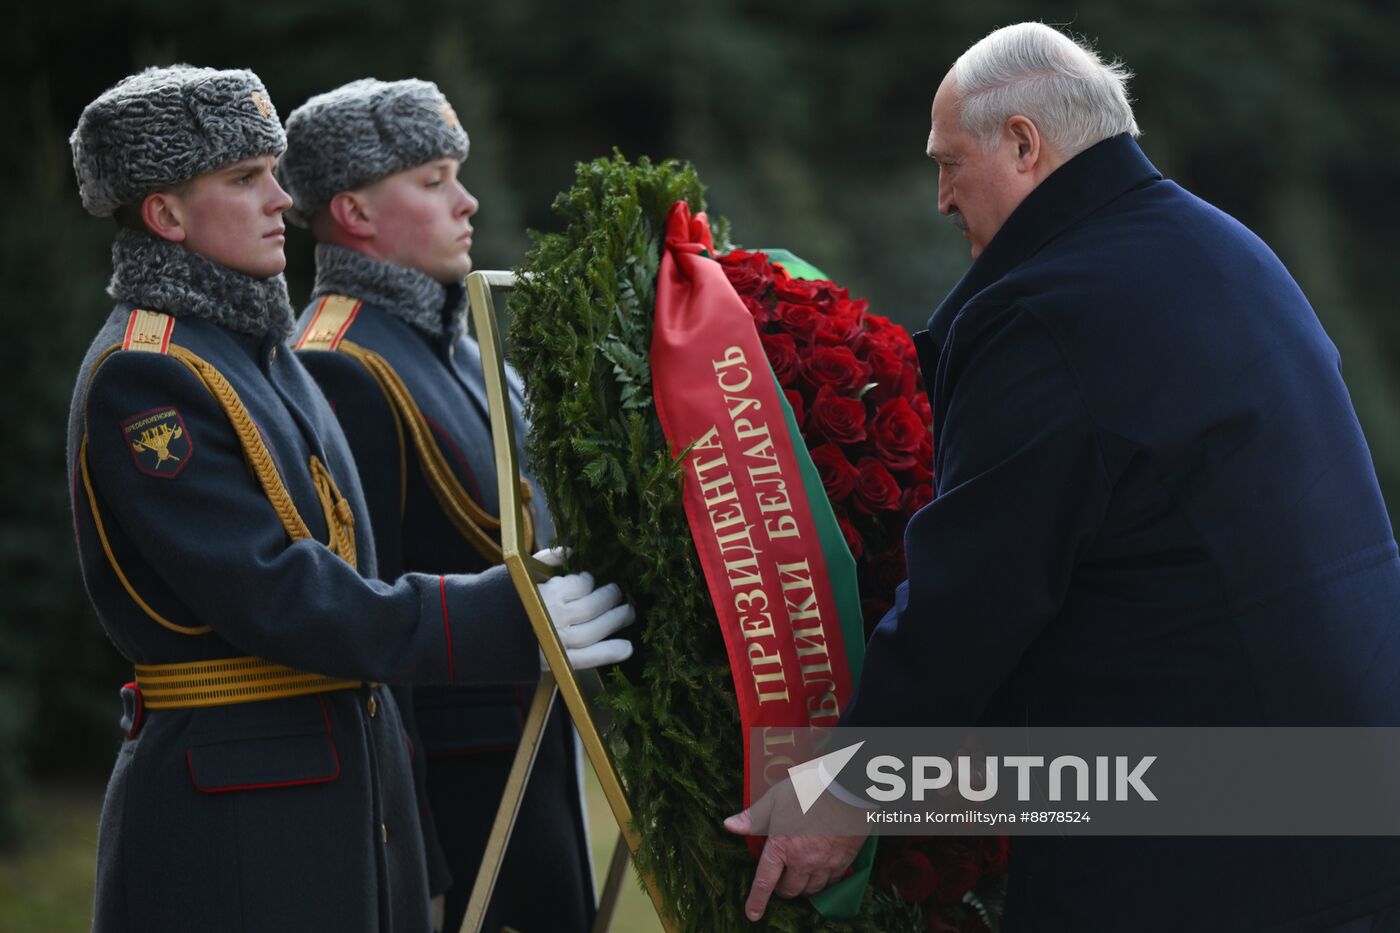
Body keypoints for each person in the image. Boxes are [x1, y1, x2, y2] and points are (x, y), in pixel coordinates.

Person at [727, 22, 1400, 931]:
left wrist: (845, 789)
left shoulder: (1051, 311)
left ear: (1023, 144)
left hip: (1218, 845)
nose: (940, 198)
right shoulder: (1218, 247)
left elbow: (974, 594)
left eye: (949, 164)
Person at [66, 65, 632, 931]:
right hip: (236, 812)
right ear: (166, 216)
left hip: (332, 784)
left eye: (274, 172)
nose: (281, 200)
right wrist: (500, 615)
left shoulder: (253, 352)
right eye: (244, 178)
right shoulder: (147, 373)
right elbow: (275, 592)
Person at [276, 78, 597, 933]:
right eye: (433, 180)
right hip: (456, 794)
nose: (467, 201)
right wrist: (413, 852)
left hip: (530, 756)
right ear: (354, 212)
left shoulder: (462, 347)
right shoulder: (337, 363)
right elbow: (366, 623)